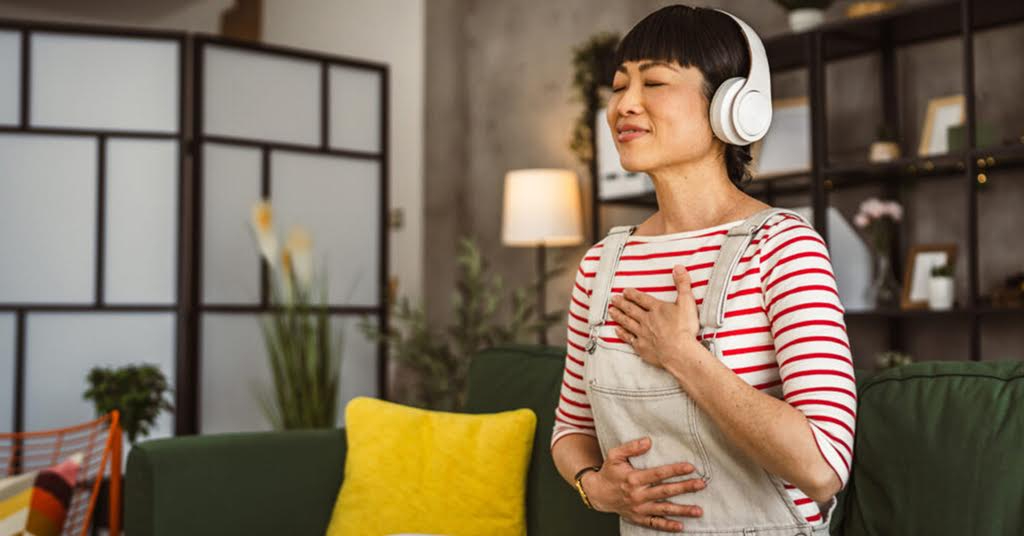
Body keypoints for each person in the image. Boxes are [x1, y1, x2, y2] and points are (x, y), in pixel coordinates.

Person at [549, 5, 856, 535]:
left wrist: (682, 356)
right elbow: (571, 428)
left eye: (656, 82)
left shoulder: (783, 246)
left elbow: (822, 468)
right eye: (620, 86)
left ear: (732, 107)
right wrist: (593, 486)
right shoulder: (601, 264)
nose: (626, 104)